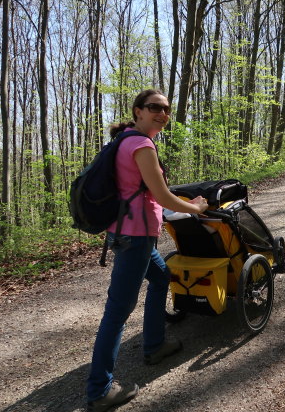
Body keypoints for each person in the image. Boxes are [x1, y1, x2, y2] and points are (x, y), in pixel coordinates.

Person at [86, 89, 209, 412]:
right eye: (154, 107)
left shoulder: (124, 139)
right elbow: (164, 197)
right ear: (138, 111)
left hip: (126, 232)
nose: (162, 114)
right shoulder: (141, 145)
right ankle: (99, 390)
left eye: (166, 109)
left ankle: (154, 345)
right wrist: (196, 207)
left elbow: (144, 191)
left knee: (161, 276)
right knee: (117, 312)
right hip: (135, 237)